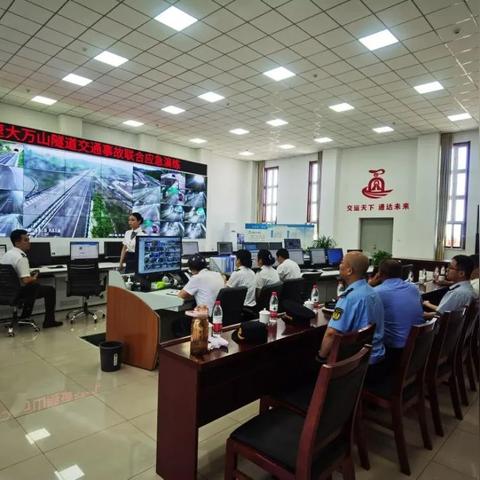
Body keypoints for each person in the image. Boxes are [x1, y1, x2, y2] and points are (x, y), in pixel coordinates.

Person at [318, 252, 385, 381]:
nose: (339, 265)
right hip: (376, 357)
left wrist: (320, 357)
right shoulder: (372, 291)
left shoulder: (349, 298)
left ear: (349, 271)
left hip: (358, 366)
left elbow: (331, 334)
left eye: (342, 262)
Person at [0, 229, 62, 328]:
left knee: (33, 287)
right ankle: (49, 321)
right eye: (26, 240)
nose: (29, 242)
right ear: (17, 243)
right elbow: (25, 281)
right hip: (17, 293)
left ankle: (25, 317)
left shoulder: (7, 254)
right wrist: (34, 277)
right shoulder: (21, 258)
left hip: (5, 291)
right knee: (47, 289)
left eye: (28, 239)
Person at [369, 259, 423, 363]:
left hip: (394, 352)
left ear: (379, 274)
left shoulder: (376, 292)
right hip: (419, 345)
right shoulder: (414, 288)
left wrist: (370, 285)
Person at [174, 254, 224, 337]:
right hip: (218, 316)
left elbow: (181, 295)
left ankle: (188, 342)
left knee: (177, 323)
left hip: (206, 317)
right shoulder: (217, 274)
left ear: (191, 269)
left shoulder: (197, 278)